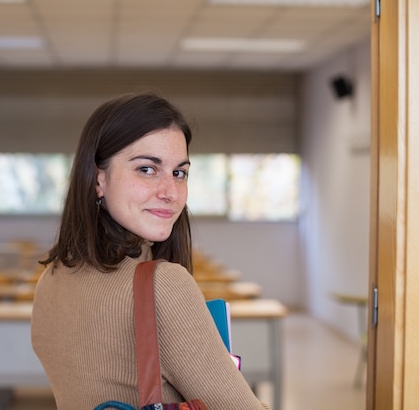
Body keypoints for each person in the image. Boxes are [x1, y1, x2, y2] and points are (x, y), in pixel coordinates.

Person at [31, 91, 270, 409]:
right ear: (98, 180)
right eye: (147, 169)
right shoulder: (163, 285)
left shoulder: (52, 278)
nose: (170, 192)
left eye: (179, 173)